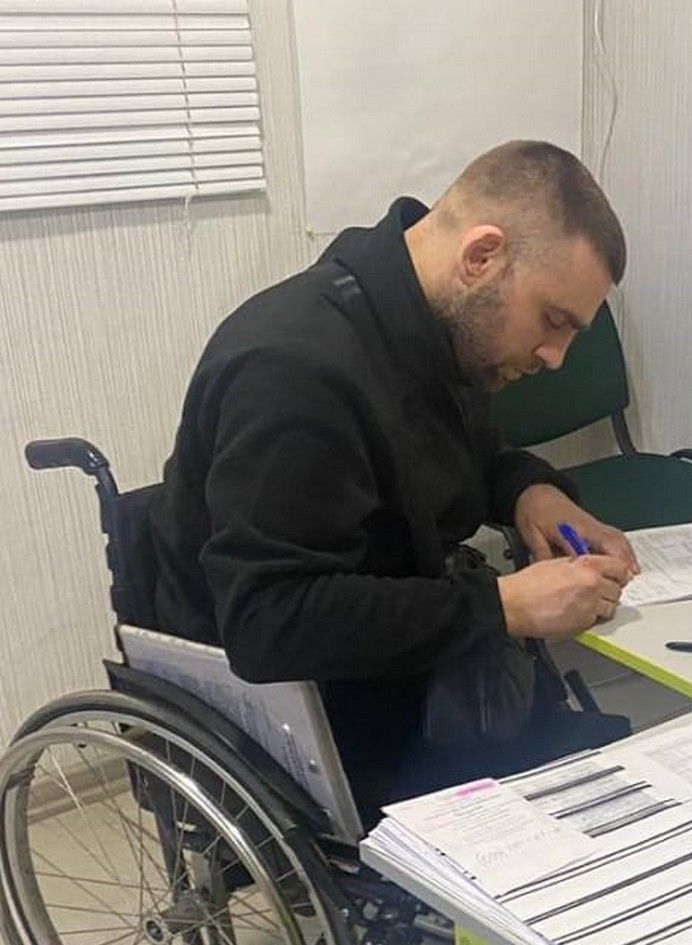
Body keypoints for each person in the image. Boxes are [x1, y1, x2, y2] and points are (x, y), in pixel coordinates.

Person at [148, 141, 640, 821]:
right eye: (553, 321)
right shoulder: (294, 373)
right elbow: (270, 622)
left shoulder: (428, 320)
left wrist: (532, 492)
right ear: (481, 257)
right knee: (590, 812)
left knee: (625, 780)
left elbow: (466, 449)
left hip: (405, 656)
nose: (555, 357)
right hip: (312, 701)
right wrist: (501, 607)